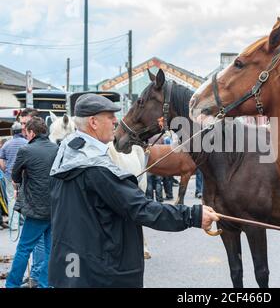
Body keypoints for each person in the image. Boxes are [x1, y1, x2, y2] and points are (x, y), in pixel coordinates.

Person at [48, 93, 219, 287]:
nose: (116, 121)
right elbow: (141, 208)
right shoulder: (96, 169)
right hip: (100, 272)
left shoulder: (65, 155)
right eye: (110, 116)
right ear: (93, 122)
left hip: (71, 265)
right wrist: (193, 215)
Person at [5, 117, 58, 288]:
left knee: (24, 249)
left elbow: (14, 176)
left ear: (32, 132)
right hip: (54, 208)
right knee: (51, 249)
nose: (25, 136)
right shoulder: (56, 148)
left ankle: (12, 284)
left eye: (26, 132)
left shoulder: (26, 150)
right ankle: (45, 283)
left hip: (36, 209)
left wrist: (19, 180)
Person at [0, 122, 28, 230]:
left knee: (11, 199)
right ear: (21, 131)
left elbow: (1, 161)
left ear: (12, 132)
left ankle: (13, 225)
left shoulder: (6, 144)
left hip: (10, 176)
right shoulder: (26, 143)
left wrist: (5, 170)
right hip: (24, 175)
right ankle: (26, 222)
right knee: (25, 197)